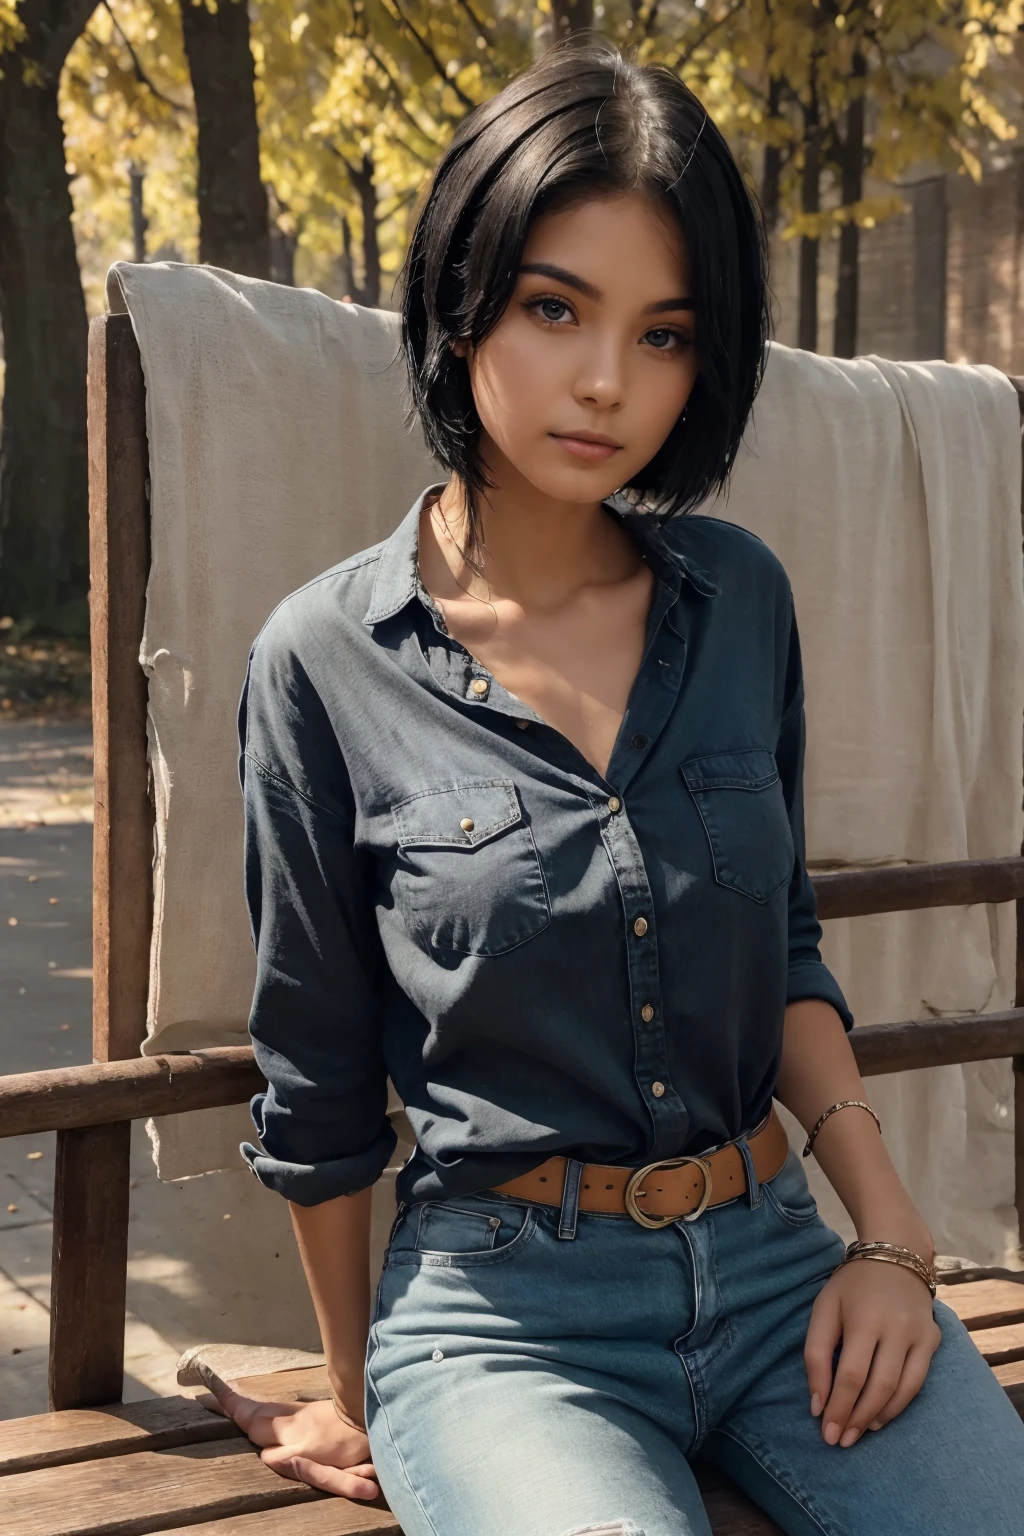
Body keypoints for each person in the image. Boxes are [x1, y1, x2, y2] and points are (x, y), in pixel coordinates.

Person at [207, 38, 1024, 1536]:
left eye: (665, 335)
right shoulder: (322, 659)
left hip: (787, 1270)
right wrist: (364, 1387)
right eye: (554, 307)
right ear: (463, 303)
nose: (606, 383)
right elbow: (318, 1087)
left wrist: (892, 1243)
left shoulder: (741, 601)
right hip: (509, 1322)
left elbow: (782, 948)